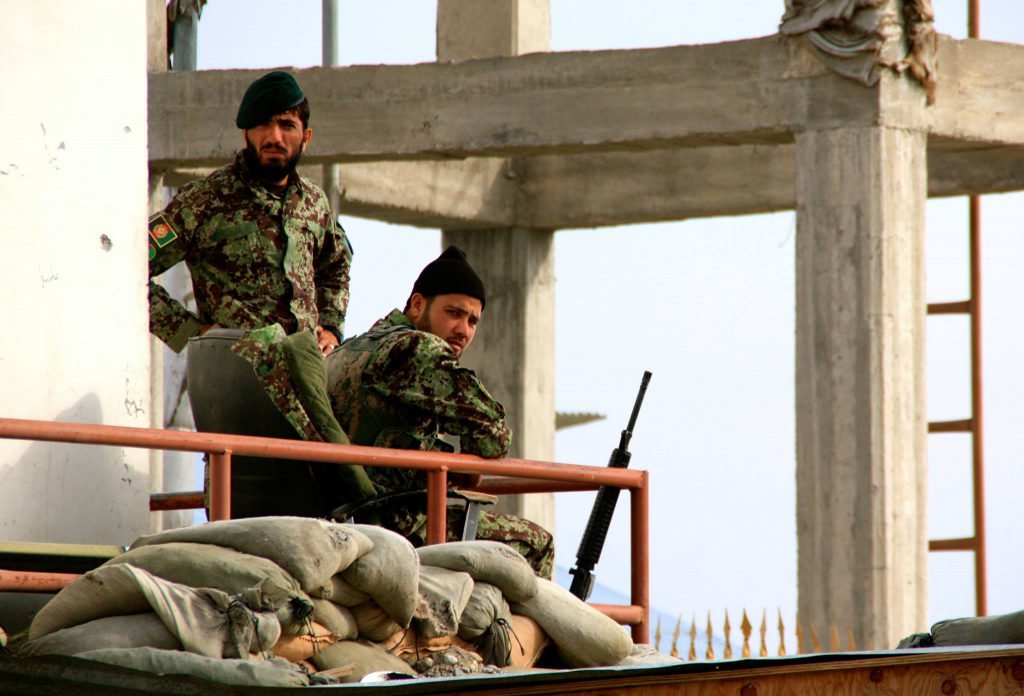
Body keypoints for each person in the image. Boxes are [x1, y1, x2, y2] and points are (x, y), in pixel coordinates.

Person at [325, 246, 554, 577]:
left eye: (473, 320)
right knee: (536, 542)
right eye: (454, 313)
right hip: (397, 523)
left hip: (346, 513)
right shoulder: (416, 348)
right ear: (418, 305)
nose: (464, 330)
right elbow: (494, 433)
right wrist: (471, 466)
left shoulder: (352, 348)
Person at [148, 70, 350, 356]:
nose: (274, 137)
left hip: (303, 377)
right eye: (262, 125)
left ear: (306, 137)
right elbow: (130, 267)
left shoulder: (314, 202)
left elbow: (335, 265)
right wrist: (191, 333)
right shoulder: (206, 200)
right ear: (246, 134)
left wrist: (331, 327)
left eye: (286, 125)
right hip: (234, 375)